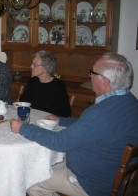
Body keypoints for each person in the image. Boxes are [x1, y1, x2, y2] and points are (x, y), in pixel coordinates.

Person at [10, 52, 138, 196]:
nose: (90, 77)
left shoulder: (100, 113)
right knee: (44, 163)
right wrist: (60, 120)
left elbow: (59, 142)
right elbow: (88, 124)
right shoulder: (131, 103)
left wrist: (23, 128)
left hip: (91, 183)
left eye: (93, 73)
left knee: (32, 178)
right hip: (114, 178)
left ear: (105, 81)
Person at [20, 50, 71, 117]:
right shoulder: (32, 81)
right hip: (32, 119)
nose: (31, 66)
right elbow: (22, 103)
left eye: (34, 64)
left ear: (45, 68)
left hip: (48, 123)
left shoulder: (58, 86)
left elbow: (65, 114)